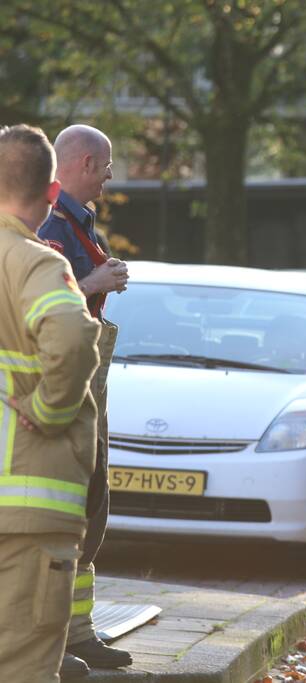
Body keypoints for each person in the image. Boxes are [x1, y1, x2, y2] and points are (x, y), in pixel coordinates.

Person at [0, 124, 100, 681]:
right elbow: (70, 333)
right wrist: (49, 411)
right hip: (27, 516)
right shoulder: (34, 262)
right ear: (50, 191)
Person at [38, 124, 132, 677]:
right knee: (73, 510)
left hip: (85, 386)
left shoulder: (76, 222)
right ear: (86, 163)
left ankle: (79, 632)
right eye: (108, 165)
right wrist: (94, 280)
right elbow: (48, 296)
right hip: (69, 390)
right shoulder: (52, 226)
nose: (112, 175)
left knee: (92, 508)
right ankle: (55, 641)